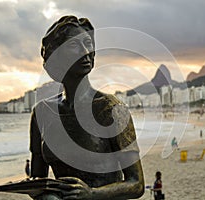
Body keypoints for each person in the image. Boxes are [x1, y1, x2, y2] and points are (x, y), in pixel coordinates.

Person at [29, 16, 144, 200]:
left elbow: (137, 184)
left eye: (88, 43)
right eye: (74, 46)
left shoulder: (112, 109)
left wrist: (92, 194)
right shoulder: (41, 113)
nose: (85, 52)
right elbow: (38, 178)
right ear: (57, 55)